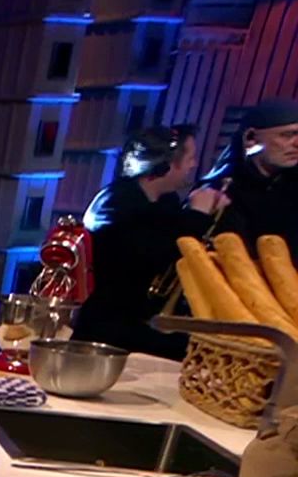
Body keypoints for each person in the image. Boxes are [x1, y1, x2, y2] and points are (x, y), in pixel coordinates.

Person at [73, 125, 221, 359]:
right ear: (166, 165)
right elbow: (153, 255)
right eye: (190, 158)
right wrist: (197, 216)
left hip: (141, 318)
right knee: (197, 352)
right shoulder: (115, 203)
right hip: (109, 326)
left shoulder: (165, 201)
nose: (194, 165)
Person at [198, 98, 298, 245]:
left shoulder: (292, 187)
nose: (297, 143)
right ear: (251, 138)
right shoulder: (221, 191)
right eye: (288, 135)